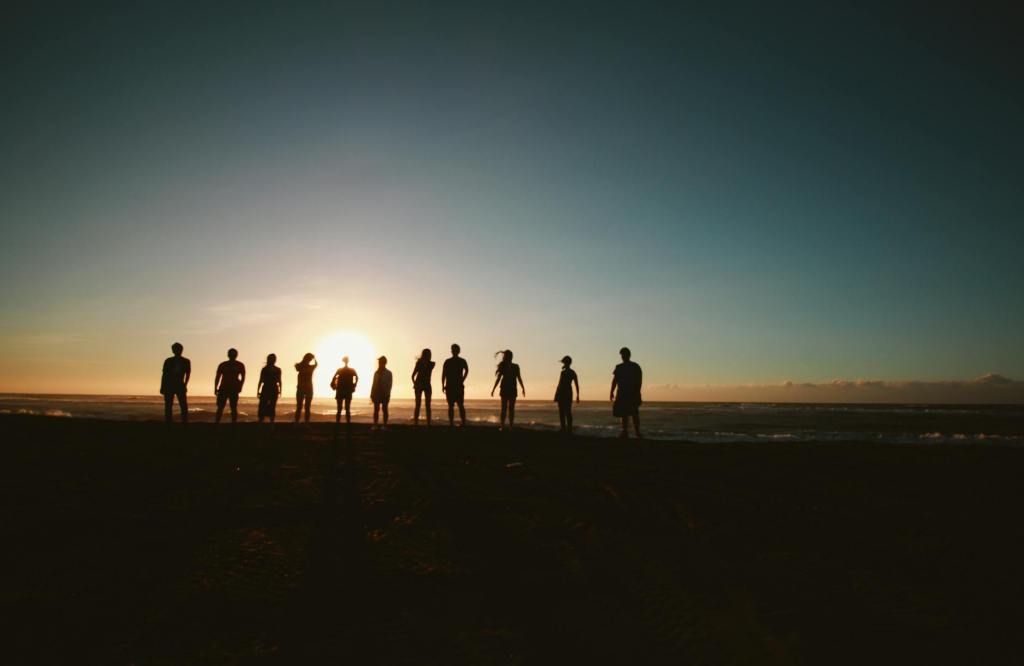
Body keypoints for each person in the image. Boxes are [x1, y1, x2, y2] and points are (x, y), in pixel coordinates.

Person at [610, 347, 642, 439]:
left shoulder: (635, 366)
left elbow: (639, 380)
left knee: (634, 413)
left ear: (628, 355)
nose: (623, 357)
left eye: (624, 355)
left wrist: (637, 392)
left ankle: (637, 432)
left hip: (632, 393)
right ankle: (625, 432)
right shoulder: (619, 367)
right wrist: (611, 392)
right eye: (622, 355)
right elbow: (615, 380)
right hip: (622, 393)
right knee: (624, 413)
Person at [491, 349, 525, 431]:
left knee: (506, 408)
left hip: (509, 389)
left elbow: (518, 378)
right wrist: (493, 389)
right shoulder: (511, 366)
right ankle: (508, 427)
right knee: (509, 408)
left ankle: (505, 426)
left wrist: (523, 388)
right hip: (508, 389)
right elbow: (499, 378)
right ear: (510, 357)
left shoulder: (514, 366)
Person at [160, 342, 191, 423]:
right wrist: (185, 384)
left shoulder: (171, 361)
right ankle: (181, 422)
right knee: (178, 405)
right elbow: (187, 375)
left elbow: (164, 375)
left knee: (173, 405)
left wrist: (185, 384)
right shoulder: (184, 361)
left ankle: (174, 422)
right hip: (175, 385)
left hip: (174, 385)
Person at [215, 348, 246, 423]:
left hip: (234, 388)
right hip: (223, 388)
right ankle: (217, 423)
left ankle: (233, 424)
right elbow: (218, 377)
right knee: (220, 407)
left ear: (236, 355)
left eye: (233, 354)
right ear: (228, 355)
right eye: (231, 354)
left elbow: (243, 377)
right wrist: (215, 388)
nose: (232, 356)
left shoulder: (240, 365)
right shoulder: (223, 364)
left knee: (233, 407)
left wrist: (240, 386)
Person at [442, 343, 469, 427]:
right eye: (453, 349)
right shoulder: (448, 361)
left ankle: (462, 422)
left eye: (455, 349)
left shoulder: (461, 361)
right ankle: (452, 423)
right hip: (451, 385)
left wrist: (463, 379)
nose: (454, 351)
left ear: (458, 351)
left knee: (459, 405)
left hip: (457, 385)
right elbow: (444, 374)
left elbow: (467, 370)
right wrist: (443, 384)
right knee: (452, 405)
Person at [554, 355, 580, 434]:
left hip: (562, 392)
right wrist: (578, 395)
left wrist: (556, 394)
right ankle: (569, 429)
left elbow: (560, 384)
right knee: (567, 411)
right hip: (568, 392)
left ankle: (564, 428)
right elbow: (576, 385)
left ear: (565, 363)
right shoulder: (572, 372)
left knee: (562, 412)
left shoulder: (564, 372)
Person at [330, 356, 358, 424]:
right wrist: (354, 385)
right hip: (347, 390)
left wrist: (334, 385)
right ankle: (348, 423)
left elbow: (334, 378)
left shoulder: (340, 370)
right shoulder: (351, 370)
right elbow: (357, 378)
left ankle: (338, 423)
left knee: (339, 409)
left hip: (340, 390)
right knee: (347, 408)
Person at [411, 348, 434, 426]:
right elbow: (413, 375)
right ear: (425, 355)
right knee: (418, 404)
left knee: (428, 405)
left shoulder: (432, 364)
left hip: (427, 385)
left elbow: (428, 368)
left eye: (430, 354)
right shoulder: (419, 363)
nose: (430, 355)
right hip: (419, 385)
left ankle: (428, 423)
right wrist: (415, 383)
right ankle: (416, 423)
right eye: (428, 354)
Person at [257, 353, 282, 423]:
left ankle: (270, 423)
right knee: (263, 405)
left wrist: (280, 390)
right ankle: (262, 421)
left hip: (273, 388)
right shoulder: (265, 369)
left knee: (271, 406)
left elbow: (279, 380)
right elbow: (261, 380)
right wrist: (258, 390)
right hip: (267, 388)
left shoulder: (277, 369)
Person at [370, 356, 393, 429]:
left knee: (384, 409)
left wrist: (388, 394)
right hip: (376, 393)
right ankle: (375, 425)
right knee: (376, 409)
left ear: (385, 363)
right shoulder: (376, 373)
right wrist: (372, 394)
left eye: (381, 362)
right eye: (379, 362)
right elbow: (373, 384)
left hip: (384, 393)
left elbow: (390, 384)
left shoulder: (388, 373)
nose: (379, 363)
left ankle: (384, 425)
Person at [294, 353, 317, 423]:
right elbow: (316, 364)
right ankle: (299, 423)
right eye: (310, 359)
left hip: (305, 388)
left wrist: (314, 358)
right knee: (302, 407)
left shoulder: (300, 366)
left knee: (303, 407)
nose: (310, 360)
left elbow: (297, 368)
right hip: (305, 388)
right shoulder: (309, 367)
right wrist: (315, 358)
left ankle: (300, 423)